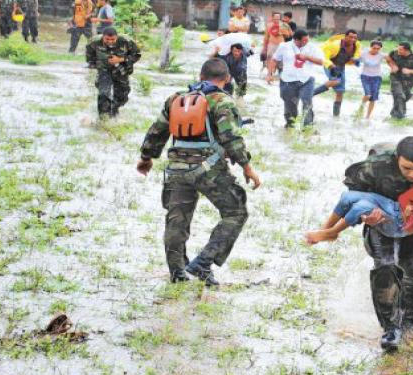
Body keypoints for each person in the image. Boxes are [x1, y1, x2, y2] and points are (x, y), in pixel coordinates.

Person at [136, 58, 261, 285]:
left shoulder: (176, 99)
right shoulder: (222, 101)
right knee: (235, 213)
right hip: (208, 169)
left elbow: (156, 131)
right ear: (227, 79)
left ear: (200, 76)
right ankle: (204, 262)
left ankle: (177, 273)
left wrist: (146, 158)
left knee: (176, 222)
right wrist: (247, 167)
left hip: (176, 170)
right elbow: (231, 138)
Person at [342, 136, 413, 350]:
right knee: (385, 267)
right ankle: (390, 328)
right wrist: (366, 215)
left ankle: (408, 326)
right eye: (407, 168)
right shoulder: (375, 167)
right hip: (383, 220)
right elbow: (353, 192)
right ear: (397, 159)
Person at [306, 155, 413, 244]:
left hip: (401, 225)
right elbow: (406, 197)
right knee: (348, 196)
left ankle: (332, 233)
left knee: (360, 206)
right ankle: (326, 230)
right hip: (395, 207)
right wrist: (409, 206)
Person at [267, 29, 324, 128]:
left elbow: (321, 61)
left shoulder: (312, 47)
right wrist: (270, 74)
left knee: (307, 102)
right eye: (304, 40)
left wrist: (306, 57)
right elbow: (274, 60)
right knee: (290, 107)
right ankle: (290, 126)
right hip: (288, 81)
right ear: (296, 40)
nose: (306, 42)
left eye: (307, 40)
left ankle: (307, 127)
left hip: (307, 80)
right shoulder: (284, 46)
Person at [85, 27, 141, 118]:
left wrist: (121, 59)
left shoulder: (126, 41)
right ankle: (104, 119)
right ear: (103, 37)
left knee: (122, 96)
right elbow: (90, 58)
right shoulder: (94, 42)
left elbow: (137, 55)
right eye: (107, 39)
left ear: (117, 37)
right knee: (103, 94)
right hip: (104, 71)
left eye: (113, 39)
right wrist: (101, 65)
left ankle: (114, 110)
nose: (110, 41)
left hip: (122, 71)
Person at [312, 29, 361, 117]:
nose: (353, 39)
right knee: (336, 81)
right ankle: (311, 93)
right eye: (350, 37)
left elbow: (357, 53)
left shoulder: (357, 44)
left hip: (341, 65)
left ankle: (336, 115)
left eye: (355, 38)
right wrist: (331, 67)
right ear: (345, 37)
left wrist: (356, 59)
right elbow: (324, 57)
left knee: (340, 91)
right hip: (330, 63)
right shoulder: (334, 45)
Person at [386, 42, 413, 119]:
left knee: (404, 97)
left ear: (407, 50)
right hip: (395, 78)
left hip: (409, 81)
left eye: (400, 49)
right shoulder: (394, 53)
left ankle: (394, 112)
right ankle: (400, 116)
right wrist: (393, 65)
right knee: (400, 95)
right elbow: (388, 59)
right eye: (398, 48)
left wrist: (410, 71)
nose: (398, 51)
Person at [359, 40, 385, 119]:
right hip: (365, 76)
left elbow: (390, 61)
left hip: (377, 77)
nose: (376, 50)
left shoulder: (381, 55)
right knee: (368, 94)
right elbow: (355, 60)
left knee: (373, 98)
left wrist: (394, 67)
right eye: (374, 48)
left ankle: (367, 116)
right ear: (371, 47)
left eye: (378, 49)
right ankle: (361, 107)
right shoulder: (363, 53)